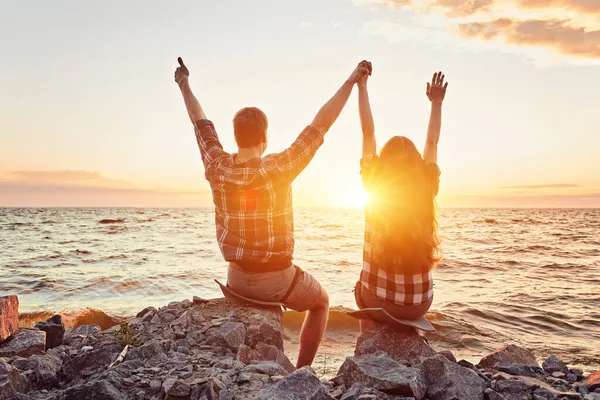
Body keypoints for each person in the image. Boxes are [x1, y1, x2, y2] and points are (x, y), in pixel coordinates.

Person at [174, 57, 371, 367]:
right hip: (276, 280)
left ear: (236, 137)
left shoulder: (217, 165)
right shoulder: (279, 167)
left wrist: (183, 83)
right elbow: (321, 124)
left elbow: (200, 122)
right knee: (321, 303)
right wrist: (350, 81)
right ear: (264, 139)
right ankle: (303, 370)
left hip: (236, 279)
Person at [354, 65, 448, 333]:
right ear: (416, 165)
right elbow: (432, 144)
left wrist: (362, 88)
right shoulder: (426, 185)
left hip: (378, 301)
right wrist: (437, 103)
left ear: (384, 163)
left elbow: (368, 133)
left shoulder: (374, 183)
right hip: (421, 303)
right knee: (404, 299)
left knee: (361, 288)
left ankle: (366, 348)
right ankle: (413, 337)